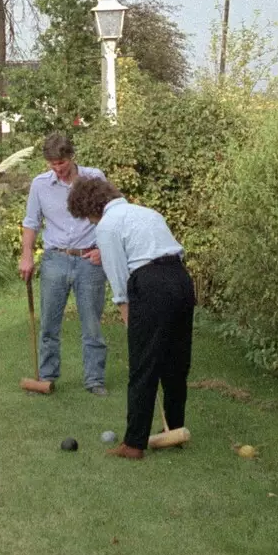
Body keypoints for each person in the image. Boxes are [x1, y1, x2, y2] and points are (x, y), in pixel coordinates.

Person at [65, 176, 194, 460]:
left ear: (88, 207)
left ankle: (134, 443)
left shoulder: (108, 225)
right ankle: (175, 428)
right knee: (175, 362)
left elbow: (118, 276)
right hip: (181, 281)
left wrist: (127, 314)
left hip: (151, 285)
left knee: (143, 365)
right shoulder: (146, 212)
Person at [19, 134, 110, 395]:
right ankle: (46, 376)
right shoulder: (40, 185)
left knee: (91, 323)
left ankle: (94, 380)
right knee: (49, 323)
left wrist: (102, 251)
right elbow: (31, 222)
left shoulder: (94, 179)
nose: (57, 169)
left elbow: (110, 215)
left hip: (88, 259)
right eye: (52, 164)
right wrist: (27, 255)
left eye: (61, 163)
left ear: (71, 157)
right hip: (55, 259)